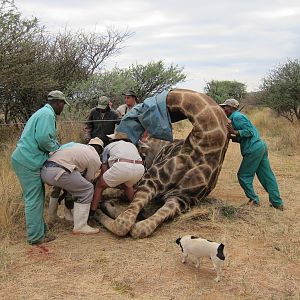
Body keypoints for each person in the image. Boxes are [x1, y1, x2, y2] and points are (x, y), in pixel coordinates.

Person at [11, 90, 69, 245]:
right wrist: (57, 148)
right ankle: (35, 237)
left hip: (26, 159)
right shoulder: (47, 114)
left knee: (37, 197)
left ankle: (41, 232)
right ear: (57, 102)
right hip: (27, 160)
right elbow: (43, 139)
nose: (63, 107)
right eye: (63, 104)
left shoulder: (44, 112)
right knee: (34, 199)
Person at [220, 98, 284, 210]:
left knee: (243, 176)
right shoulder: (235, 117)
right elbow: (245, 135)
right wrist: (231, 135)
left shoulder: (237, 117)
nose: (223, 108)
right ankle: (277, 203)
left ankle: (254, 200)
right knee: (267, 176)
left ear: (231, 108)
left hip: (253, 149)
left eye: (225, 106)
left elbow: (249, 132)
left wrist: (234, 132)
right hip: (259, 146)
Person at [41, 138, 104, 234]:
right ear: (100, 151)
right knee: (87, 189)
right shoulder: (95, 158)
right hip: (59, 172)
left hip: (45, 171)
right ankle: (80, 226)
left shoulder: (75, 145)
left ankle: (52, 216)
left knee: (58, 186)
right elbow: (88, 179)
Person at [89, 132, 145, 217]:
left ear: (113, 140)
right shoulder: (132, 145)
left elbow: (104, 170)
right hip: (139, 169)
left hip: (122, 166)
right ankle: (139, 211)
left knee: (99, 186)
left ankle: (92, 212)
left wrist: (100, 180)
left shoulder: (108, 147)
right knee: (127, 186)